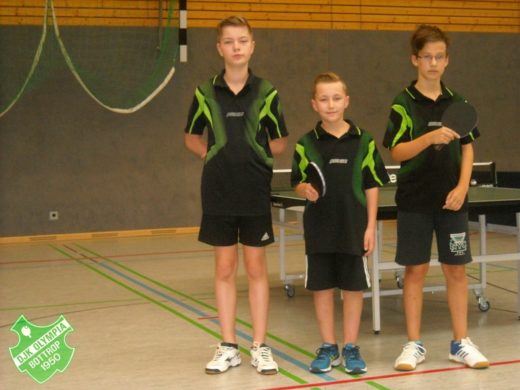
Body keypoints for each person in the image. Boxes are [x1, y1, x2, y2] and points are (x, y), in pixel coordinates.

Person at [184, 16, 288, 375]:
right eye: (229, 42)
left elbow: (279, 141)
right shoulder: (205, 91)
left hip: (254, 191)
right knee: (225, 268)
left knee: (257, 268)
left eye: (242, 41)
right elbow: (191, 136)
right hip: (217, 191)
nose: (236, 47)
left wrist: (254, 157)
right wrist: (213, 156)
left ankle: (260, 345)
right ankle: (228, 345)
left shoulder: (267, 91)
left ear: (252, 45)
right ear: (219, 48)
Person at [382, 24, 490, 371]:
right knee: (415, 270)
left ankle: (461, 342)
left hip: (452, 202)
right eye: (426, 56)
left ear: (447, 60)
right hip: (414, 200)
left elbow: (468, 147)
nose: (432, 63)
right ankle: (413, 344)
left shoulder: (458, 103)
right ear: (415, 59)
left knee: (456, 271)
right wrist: (428, 139)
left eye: (439, 57)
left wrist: (462, 188)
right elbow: (396, 151)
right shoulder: (403, 103)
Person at [291, 72, 389, 375]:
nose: (330, 104)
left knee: (353, 289)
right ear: (314, 104)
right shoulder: (306, 143)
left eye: (336, 98)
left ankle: (350, 346)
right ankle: (328, 346)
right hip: (319, 229)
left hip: (354, 227)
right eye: (324, 99)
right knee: (321, 288)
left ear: (346, 101)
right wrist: (303, 190)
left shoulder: (365, 141)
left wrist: (370, 226)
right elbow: (296, 182)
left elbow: (373, 185)